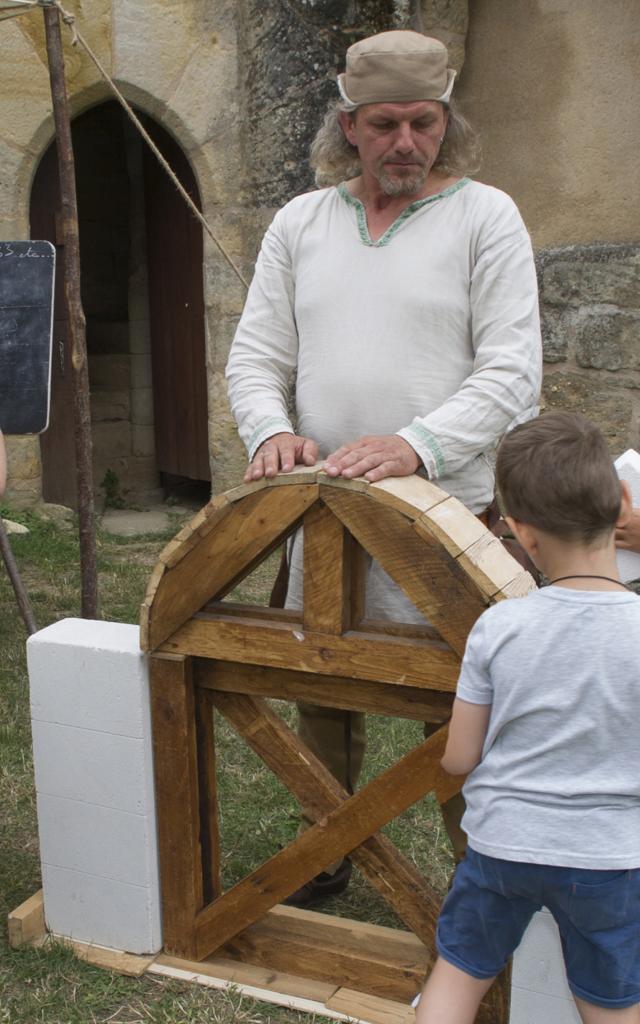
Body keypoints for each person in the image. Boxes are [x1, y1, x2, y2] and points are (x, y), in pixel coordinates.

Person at [226, 29, 542, 903]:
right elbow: (256, 357)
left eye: (424, 123)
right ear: (349, 126)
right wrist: (269, 432)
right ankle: (325, 855)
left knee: (460, 701)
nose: (407, 143)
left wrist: (416, 446)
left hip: (446, 513)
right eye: (386, 124)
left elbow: (513, 371)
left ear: (448, 123)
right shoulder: (301, 222)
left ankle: (484, 885)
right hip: (321, 507)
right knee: (319, 686)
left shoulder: (487, 216)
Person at [415, 410, 640, 1024]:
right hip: (610, 860)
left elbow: (460, 758)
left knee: (457, 979)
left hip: (502, 846)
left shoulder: (499, 627)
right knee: (613, 1005)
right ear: (623, 503)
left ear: (520, 531)